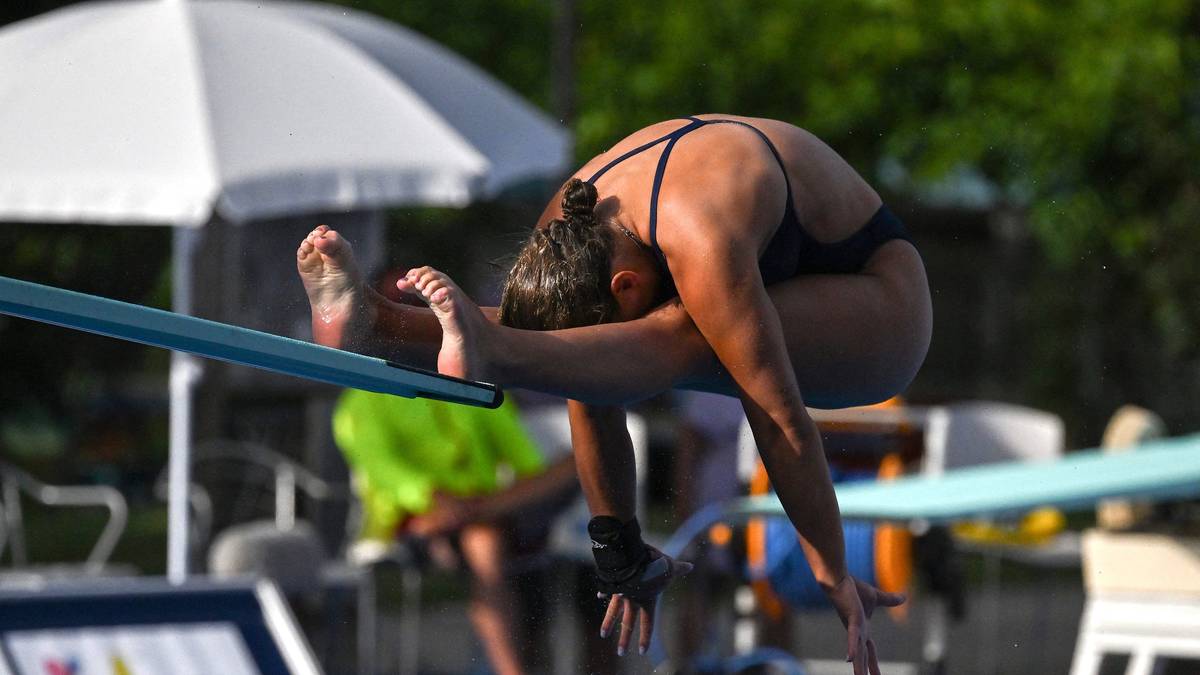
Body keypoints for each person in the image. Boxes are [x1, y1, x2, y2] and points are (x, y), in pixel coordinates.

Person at [297, 114, 931, 674]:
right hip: (760, 278)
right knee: (607, 341)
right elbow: (584, 377)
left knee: (686, 330)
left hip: (882, 302)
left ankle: (438, 334)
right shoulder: (567, 224)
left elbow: (778, 418)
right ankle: (382, 323)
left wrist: (830, 568)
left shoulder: (702, 240)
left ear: (626, 284)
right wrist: (621, 552)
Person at [333, 389, 579, 675]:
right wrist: (434, 498)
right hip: (414, 519)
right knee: (485, 541)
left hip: (485, 508)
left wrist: (476, 506)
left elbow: (525, 461)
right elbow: (384, 469)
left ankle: (483, 515)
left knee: (568, 466)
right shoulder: (364, 398)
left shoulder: (473, 389)